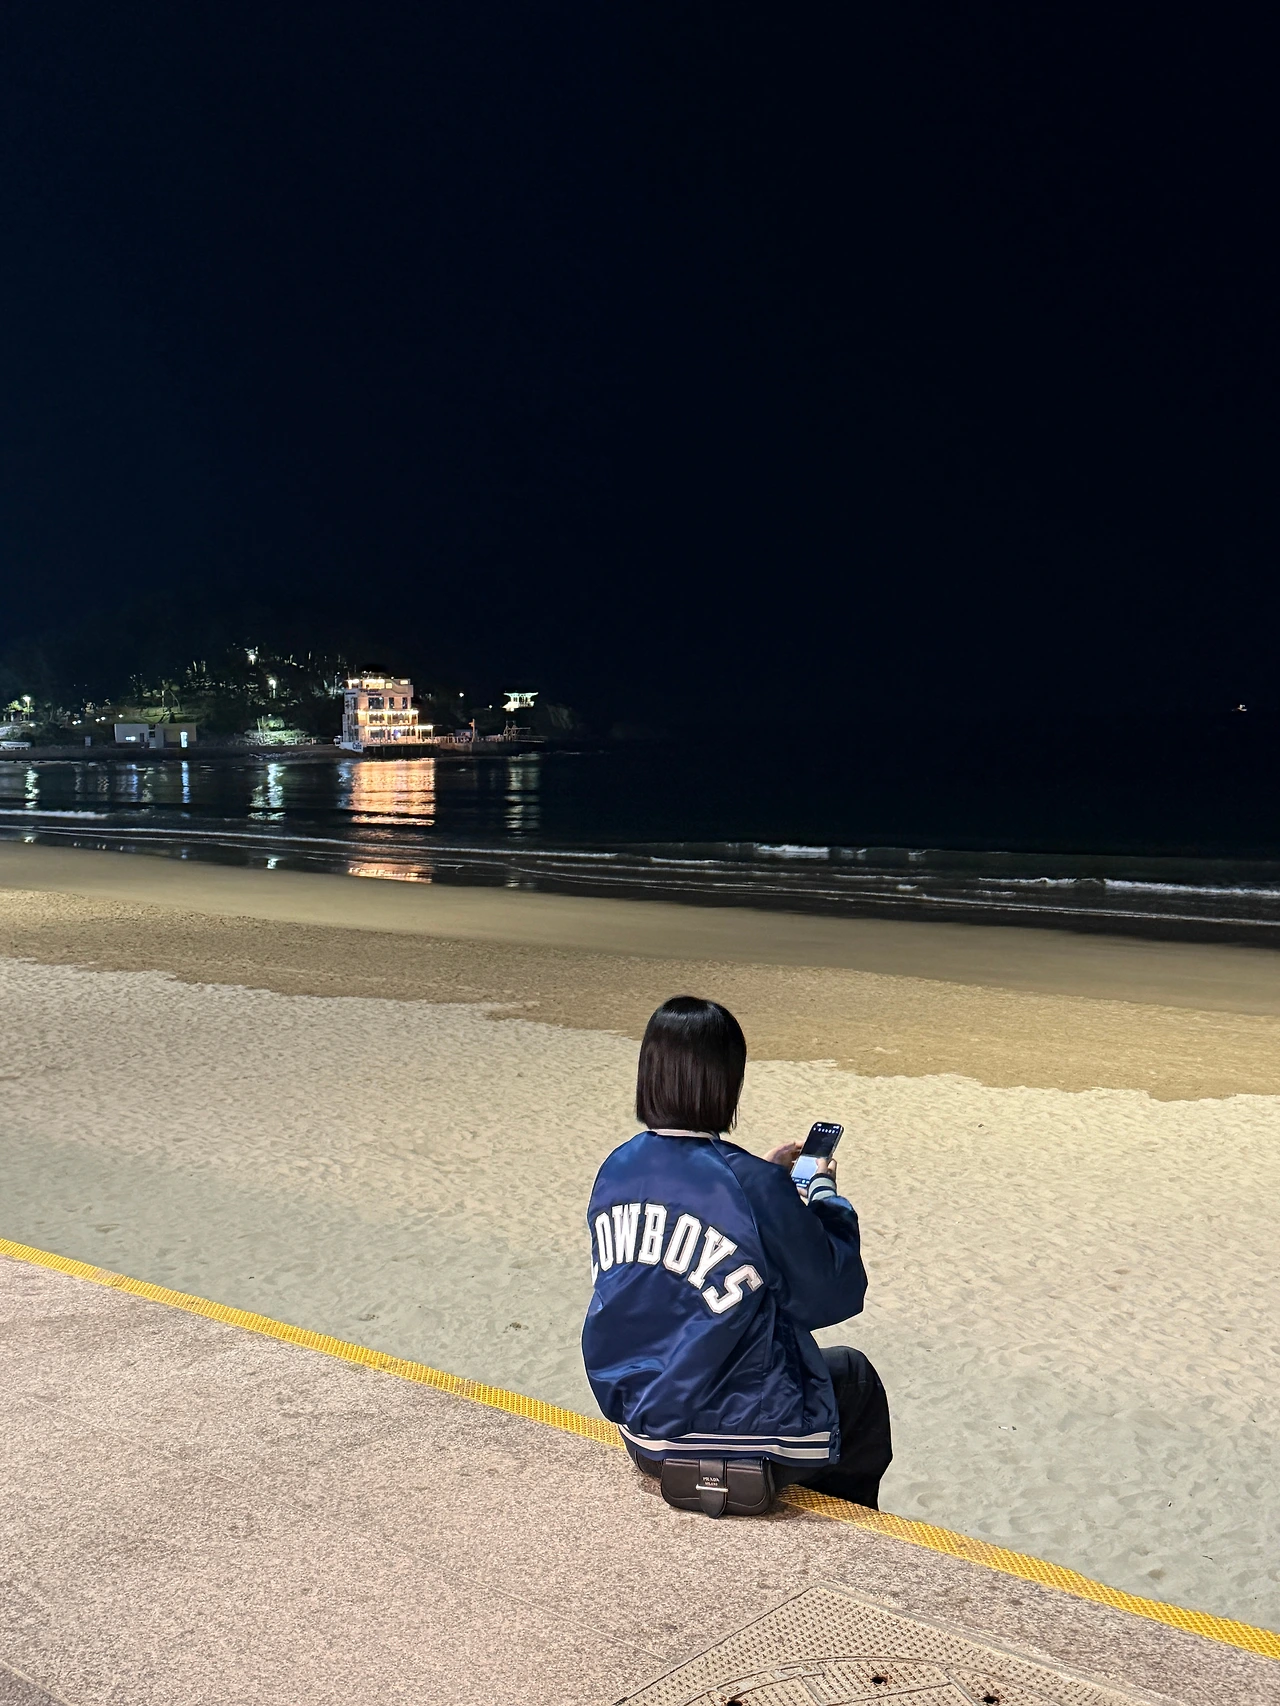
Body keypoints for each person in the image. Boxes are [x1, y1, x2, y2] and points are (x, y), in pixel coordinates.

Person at [581, 995, 892, 1509]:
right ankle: (851, 1528)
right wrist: (822, 1196)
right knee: (855, 1377)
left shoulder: (615, 1168)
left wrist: (764, 1176)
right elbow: (833, 1294)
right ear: (728, 1082)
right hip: (743, 1438)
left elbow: (667, 1263)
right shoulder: (753, 1186)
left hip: (645, 1435)